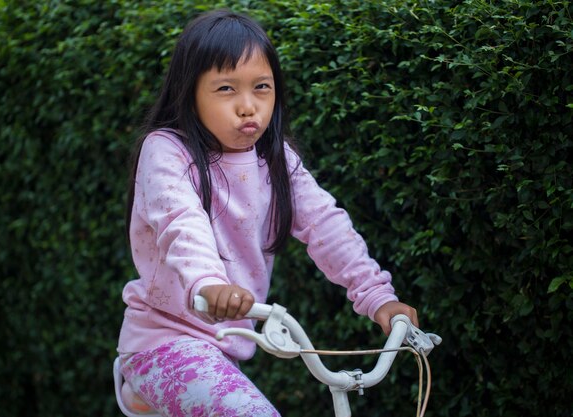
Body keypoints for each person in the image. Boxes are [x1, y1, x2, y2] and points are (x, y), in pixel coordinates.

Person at [117, 9, 419, 417]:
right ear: (189, 93)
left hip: (225, 354)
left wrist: (379, 297)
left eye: (262, 87)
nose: (248, 106)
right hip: (163, 343)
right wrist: (209, 284)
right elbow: (181, 223)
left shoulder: (276, 161)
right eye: (226, 88)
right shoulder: (168, 150)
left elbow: (325, 225)